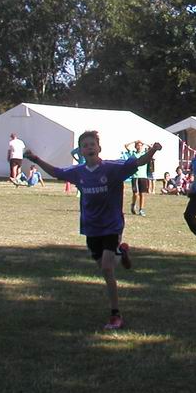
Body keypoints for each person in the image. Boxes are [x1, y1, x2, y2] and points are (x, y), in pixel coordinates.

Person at [23, 131, 160, 330]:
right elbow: (56, 172)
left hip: (112, 225)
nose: (89, 147)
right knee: (105, 265)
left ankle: (115, 314)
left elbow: (138, 162)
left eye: (92, 144)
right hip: (91, 228)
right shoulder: (78, 172)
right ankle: (121, 253)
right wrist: (36, 159)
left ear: (99, 148)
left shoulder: (113, 168)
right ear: (80, 151)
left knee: (106, 268)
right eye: (85, 145)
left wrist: (153, 150)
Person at [123, 140, 153, 216]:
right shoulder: (133, 154)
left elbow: (151, 148)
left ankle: (141, 209)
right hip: (135, 176)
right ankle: (133, 205)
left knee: (142, 194)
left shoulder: (144, 154)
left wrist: (144, 143)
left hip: (143, 176)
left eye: (140, 145)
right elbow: (126, 146)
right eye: (138, 145)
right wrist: (134, 142)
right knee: (135, 194)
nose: (139, 147)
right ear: (135, 146)